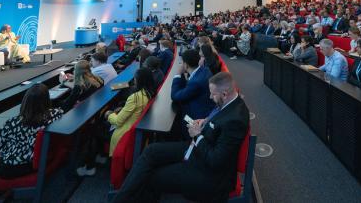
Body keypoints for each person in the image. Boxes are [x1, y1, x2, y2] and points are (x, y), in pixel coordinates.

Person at [112, 72, 249, 203]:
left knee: (152, 176)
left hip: (208, 174)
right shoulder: (229, 102)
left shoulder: (235, 120)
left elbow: (215, 160)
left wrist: (198, 135)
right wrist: (205, 121)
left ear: (224, 94)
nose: (210, 97)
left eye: (213, 94)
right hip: (197, 149)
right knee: (151, 150)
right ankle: (121, 199)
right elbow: (217, 117)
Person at [77, 68, 156, 177]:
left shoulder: (135, 97)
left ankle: (90, 166)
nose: (135, 81)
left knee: (94, 131)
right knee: (99, 127)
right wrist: (121, 110)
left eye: (136, 79)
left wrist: (109, 114)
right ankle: (101, 156)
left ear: (140, 80)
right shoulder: (149, 92)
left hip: (123, 131)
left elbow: (118, 121)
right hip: (131, 124)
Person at [0, 84, 63, 179]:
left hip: (7, 166)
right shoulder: (53, 116)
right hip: (34, 162)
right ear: (46, 100)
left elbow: (1, 146)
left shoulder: (11, 122)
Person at [171, 49, 215, 121]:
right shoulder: (205, 69)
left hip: (197, 117)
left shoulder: (195, 83)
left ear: (185, 65)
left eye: (181, 62)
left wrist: (178, 74)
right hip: (206, 106)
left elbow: (175, 96)